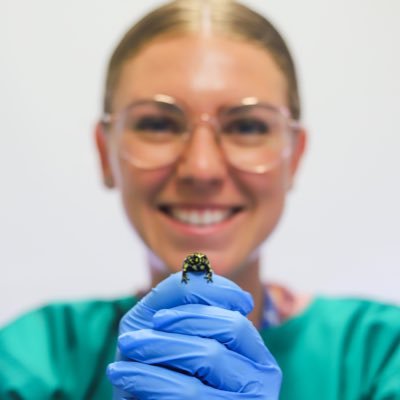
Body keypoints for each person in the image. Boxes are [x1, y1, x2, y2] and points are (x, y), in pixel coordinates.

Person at [1, 0, 399, 399]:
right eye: (158, 124)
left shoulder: (379, 356)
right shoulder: (34, 360)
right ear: (105, 154)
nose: (201, 168)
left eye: (246, 125)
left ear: (293, 157)